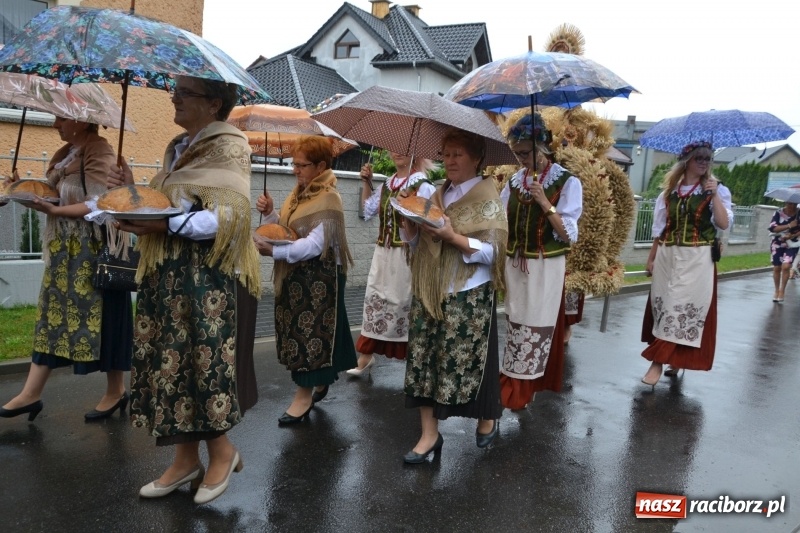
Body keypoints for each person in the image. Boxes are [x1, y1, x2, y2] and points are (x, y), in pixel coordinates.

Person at [111, 76, 261, 504]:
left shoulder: (230, 146)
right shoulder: (178, 148)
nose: (173, 98)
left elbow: (227, 218)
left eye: (184, 93)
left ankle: (222, 453)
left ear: (214, 103)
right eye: (174, 91)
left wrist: (164, 224)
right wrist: (133, 189)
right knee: (172, 367)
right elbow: (169, 204)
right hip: (170, 275)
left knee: (203, 365)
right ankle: (185, 461)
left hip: (210, 278)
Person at [0, 118, 133, 422]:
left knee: (106, 318)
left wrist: (57, 209)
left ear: (81, 120)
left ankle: (116, 391)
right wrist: (22, 189)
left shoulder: (99, 151)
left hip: (93, 252)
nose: (55, 124)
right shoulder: (67, 153)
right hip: (65, 251)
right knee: (51, 317)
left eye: (62, 118)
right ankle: (31, 393)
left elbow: (102, 203)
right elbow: (54, 199)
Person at [400, 128, 507, 463]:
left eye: (458, 154)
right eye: (446, 154)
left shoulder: (487, 196)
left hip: (468, 291)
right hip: (430, 288)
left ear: (477, 158)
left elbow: (495, 253)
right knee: (424, 361)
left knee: (469, 363)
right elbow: (418, 246)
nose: (450, 160)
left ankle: (487, 416)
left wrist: (452, 237)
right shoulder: (436, 194)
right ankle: (429, 435)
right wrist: (409, 226)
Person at [254, 135, 357, 425]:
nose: (295, 170)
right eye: (293, 164)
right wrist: (270, 214)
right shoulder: (299, 194)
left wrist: (275, 252)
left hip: (319, 280)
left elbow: (313, 245)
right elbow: (287, 231)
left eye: (301, 165)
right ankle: (320, 379)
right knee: (297, 333)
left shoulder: (329, 199)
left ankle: (303, 395)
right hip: (296, 276)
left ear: (321, 166)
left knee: (310, 336)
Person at [498, 112, 583, 410]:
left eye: (526, 153)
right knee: (516, 320)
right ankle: (520, 382)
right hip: (516, 264)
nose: (521, 159)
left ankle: (520, 387)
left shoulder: (567, 182)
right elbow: (501, 221)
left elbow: (568, 235)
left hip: (545, 264)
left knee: (535, 322)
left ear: (542, 148)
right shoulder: (514, 182)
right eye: (517, 153)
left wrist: (545, 203)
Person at [640, 141, 732, 385]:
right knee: (663, 307)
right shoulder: (669, 192)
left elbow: (723, 224)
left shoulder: (716, 190)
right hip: (667, 256)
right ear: (686, 161)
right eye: (699, 157)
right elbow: (660, 229)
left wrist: (714, 195)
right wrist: (651, 258)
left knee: (679, 307)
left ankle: (657, 362)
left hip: (697, 258)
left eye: (708, 158)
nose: (704, 162)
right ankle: (676, 358)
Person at [348, 152, 436, 377]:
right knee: (375, 299)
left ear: (416, 153)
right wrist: (367, 183)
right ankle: (366, 356)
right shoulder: (388, 184)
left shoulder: (423, 186)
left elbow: (432, 223)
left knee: (401, 303)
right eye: (394, 149)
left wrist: (410, 208)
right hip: (383, 253)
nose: (397, 153)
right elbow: (368, 211)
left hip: (407, 254)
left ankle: (415, 364)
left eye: (404, 149)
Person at [768, 201, 799, 302]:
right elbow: (773, 228)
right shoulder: (778, 213)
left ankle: (782, 290)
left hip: (792, 243)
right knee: (777, 267)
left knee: (786, 266)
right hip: (777, 242)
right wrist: (789, 225)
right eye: (789, 204)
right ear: (786, 202)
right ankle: (776, 290)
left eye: (794, 204)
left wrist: (793, 235)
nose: (792, 206)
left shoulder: (799, 213)